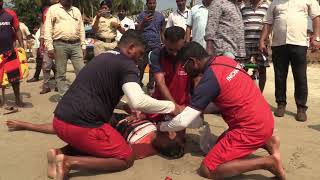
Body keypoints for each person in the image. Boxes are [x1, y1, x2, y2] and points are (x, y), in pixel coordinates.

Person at [46, 30, 182, 180]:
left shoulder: (103, 57)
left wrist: (124, 105)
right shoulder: (127, 64)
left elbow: (98, 93)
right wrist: (172, 107)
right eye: (140, 53)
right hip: (81, 126)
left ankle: (59, 153)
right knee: (125, 158)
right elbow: (139, 101)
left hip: (59, 121)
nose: (140, 58)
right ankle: (68, 162)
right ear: (131, 48)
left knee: (106, 130)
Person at [159, 42, 286, 180]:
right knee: (216, 147)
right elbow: (225, 99)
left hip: (250, 128)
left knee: (208, 169)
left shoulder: (209, 80)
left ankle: (267, 163)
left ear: (193, 61)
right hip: (264, 119)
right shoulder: (224, 61)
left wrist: (162, 127)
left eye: (184, 67)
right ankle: (268, 142)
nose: (185, 72)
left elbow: (183, 122)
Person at [5, 112, 185, 179]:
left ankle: (63, 153)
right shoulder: (159, 128)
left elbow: (111, 153)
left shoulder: (144, 149)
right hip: (117, 117)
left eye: (173, 137)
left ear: (165, 145)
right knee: (77, 123)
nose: (172, 133)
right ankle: (57, 148)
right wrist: (137, 115)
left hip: (113, 128)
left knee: (83, 131)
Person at [259, 0, 320, 121]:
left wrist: (317, 37)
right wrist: (262, 40)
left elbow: (316, 18)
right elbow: (268, 23)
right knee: (280, 76)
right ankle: (281, 104)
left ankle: (301, 108)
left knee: (300, 76)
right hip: (278, 44)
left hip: (299, 43)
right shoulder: (275, 3)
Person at [44, 0, 86, 97]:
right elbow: (48, 28)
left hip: (76, 45)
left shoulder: (76, 10)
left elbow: (81, 29)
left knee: (82, 71)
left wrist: (83, 45)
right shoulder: (53, 9)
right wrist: (49, 47)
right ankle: (64, 97)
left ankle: (83, 94)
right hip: (60, 44)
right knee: (61, 73)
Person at [150, 26, 189, 106]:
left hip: (185, 105)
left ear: (184, 41)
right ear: (164, 41)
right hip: (161, 104)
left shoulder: (190, 55)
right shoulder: (156, 55)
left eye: (178, 50)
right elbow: (160, 83)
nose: (175, 54)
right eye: (170, 49)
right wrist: (174, 107)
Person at [136, 0, 166, 93]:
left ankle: (150, 86)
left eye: (154, 3)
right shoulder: (141, 15)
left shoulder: (161, 16)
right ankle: (139, 85)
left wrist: (163, 43)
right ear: (147, 4)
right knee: (142, 66)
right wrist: (144, 21)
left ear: (156, 4)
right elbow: (138, 30)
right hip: (143, 44)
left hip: (156, 44)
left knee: (153, 66)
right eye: (150, 3)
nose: (152, 5)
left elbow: (162, 31)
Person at [240, 0, 269, 92]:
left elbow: (269, 24)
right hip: (245, 43)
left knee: (262, 69)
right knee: (241, 69)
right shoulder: (243, 6)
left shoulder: (268, 5)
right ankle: (241, 93)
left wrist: (265, 41)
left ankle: (260, 94)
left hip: (261, 44)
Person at [0, 0, 24, 107]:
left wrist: (22, 46)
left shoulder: (10, 14)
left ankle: (18, 98)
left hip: (9, 51)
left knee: (14, 78)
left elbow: (17, 29)